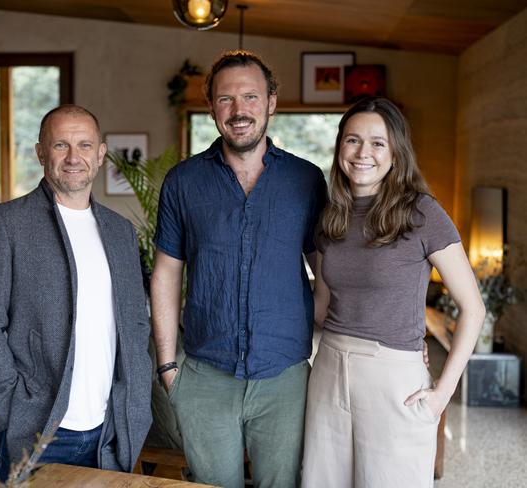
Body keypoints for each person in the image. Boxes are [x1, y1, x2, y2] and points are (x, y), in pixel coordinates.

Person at [151, 50, 326, 488]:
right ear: (211, 107)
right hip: (205, 375)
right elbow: (167, 274)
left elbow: (329, 272)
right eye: (225, 99)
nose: (239, 110)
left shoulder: (306, 180)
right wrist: (169, 368)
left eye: (250, 96)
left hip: (285, 377)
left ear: (271, 102)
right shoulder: (183, 182)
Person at [301, 97, 485, 488]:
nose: (363, 152)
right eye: (352, 140)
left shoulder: (421, 213)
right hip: (329, 366)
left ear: (396, 152)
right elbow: (323, 305)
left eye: (377, 142)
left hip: (392, 377)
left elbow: (474, 309)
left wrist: (441, 395)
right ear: (339, 148)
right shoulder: (331, 215)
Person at [0, 105, 152, 483]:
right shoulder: (6, 224)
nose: (73, 157)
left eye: (84, 145)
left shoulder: (120, 232)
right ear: (40, 153)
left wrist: (135, 401)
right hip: (39, 427)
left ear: (100, 154)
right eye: (61, 145)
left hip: (110, 430)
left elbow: (134, 324)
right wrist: (12, 405)